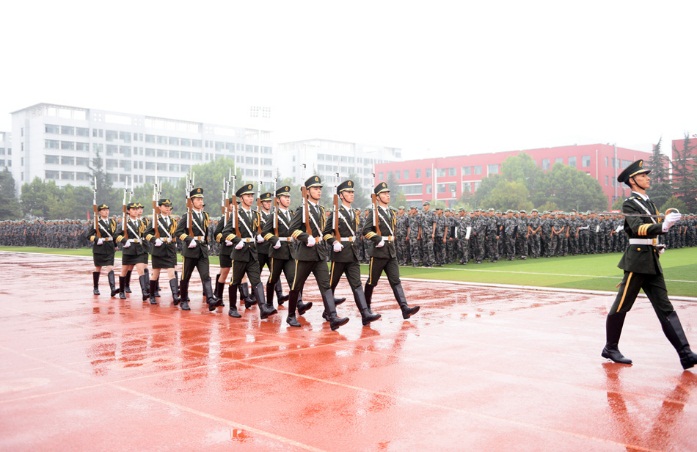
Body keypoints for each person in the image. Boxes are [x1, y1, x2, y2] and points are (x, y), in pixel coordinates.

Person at [602, 159, 697, 370]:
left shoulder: (649, 203)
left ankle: (685, 353)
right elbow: (637, 228)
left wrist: (661, 234)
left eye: (647, 175)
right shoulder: (630, 204)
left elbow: (651, 229)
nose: (647, 178)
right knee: (621, 306)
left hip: (651, 259)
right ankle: (610, 347)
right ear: (632, 180)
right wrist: (663, 226)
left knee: (666, 308)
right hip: (637, 261)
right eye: (643, 176)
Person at [286, 176, 349, 330]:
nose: (318, 191)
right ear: (307, 191)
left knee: (325, 285)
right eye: (315, 189)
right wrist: (305, 237)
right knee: (296, 285)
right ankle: (290, 316)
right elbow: (292, 230)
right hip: (305, 254)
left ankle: (332, 316)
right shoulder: (302, 209)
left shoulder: (320, 210)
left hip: (319, 253)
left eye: (320, 188)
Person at [322, 179, 381, 326]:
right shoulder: (336, 213)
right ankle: (328, 311)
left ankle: (365, 313)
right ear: (341, 195)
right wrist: (334, 242)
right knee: (331, 285)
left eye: (353, 192)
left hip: (352, 253)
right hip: (340, 254)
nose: (352, 194)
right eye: (349, 192)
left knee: (357, 285)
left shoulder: (354, 213)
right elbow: (326, 233)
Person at [363, 182, 420, 320]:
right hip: (378, 252)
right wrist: (377, 239)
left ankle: (404, 308)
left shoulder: (391, 212)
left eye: (388, 193)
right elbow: (366, 231)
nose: (387, 195)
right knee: (372, 282)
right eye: (384, 193)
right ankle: (366, 309)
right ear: (377, 197)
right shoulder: (374, 213)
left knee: (396, 281)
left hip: (390, 250)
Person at [219, 184, 277, 319]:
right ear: (241, 198)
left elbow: (256, 230)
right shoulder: (235, 215)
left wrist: (259, 236)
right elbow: (226, 232)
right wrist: (236, 240)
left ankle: (263, 308)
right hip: (240, 253)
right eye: (248, 196)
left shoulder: (255, 215)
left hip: (252, 251)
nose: (251, 199)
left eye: (252, 196)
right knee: (235, 281)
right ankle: (232, 308)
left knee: (256, 280)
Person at [261, 185, 312, 322]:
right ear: (278, 200)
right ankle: (269, 304)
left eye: (289, 197)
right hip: (277, 251)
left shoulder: (292, 215)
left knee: (293, 279)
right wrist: (273, 239)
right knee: (273, 278)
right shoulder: (274, 215)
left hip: (290, 250)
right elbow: (265, 232)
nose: (288, 199)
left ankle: (299, 303)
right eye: (285, 197)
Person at [174, 187, 218, 311]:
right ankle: (183, 300)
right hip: (190, 250)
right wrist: (189, 239)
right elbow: (178, 232)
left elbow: (206, 230)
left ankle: (210, 299)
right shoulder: (187, 216)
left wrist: (205, 241)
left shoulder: (204, 215)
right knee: (186, 276)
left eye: (201, 199)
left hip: (202, 249)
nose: (200, 201)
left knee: (206, 275)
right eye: (198, 199)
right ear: (192, 202)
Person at [255, 191, 289, 309]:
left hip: (271, 248)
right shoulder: (256, 216)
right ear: (261, 203)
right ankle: (254, 295)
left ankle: (279, 295)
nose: (268, 204)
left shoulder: (274, 215)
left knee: (275, 273)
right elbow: (249, 230)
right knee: (256, 274)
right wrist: (256, 236)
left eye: (270, 202)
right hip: (260, 249)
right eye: (266, 202)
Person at [144, 198, 180, 305]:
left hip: (169, 249)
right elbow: (146, 234)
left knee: (171, 273)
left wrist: (175, 241)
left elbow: (174, 234)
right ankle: (151, 295)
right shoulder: (155, 220)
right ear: (159, 207)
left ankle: (175, 296)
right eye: (165, 206)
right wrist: (155, 240)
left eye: (169, 206)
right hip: (158, 249)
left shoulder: (173, 221)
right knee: (155, 273)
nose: (168, 208)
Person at [115, 202, 150, 301]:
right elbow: (116, 235)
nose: (135, 211)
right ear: (128, 211)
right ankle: (122, 291)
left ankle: (144, 292)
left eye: (136, 209)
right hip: (128, 249)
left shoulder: (141, 222)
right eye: (133, 209)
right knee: (124, 271)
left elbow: (144, 234)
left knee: (140, 269)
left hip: (139, 248)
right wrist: (124, 241)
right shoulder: (125, 223)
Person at [87, 203, 118, 297]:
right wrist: (96, 239)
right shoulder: (96, 223)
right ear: (99, 212)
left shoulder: (112, 222)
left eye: (107, 210)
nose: (106, 212)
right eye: (104, 210)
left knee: (110, 267)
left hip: (109, 246)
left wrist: (115, 245)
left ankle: (113, 288)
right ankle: (95, 287)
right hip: (99, 247)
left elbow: (113, 235)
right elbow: (89, 236)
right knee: (98, 268)